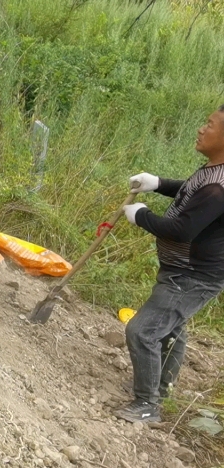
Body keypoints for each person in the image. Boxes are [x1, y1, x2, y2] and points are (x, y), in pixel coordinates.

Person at [117, 106, 224, 423]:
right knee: (171, 329)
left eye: (210, 124)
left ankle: (147, 405)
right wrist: (159, 183)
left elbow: (183, 229)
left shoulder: (219, 188)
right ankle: (159, 389)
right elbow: (190, 191)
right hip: (184, 272)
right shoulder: (212, 172)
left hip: (192, 277)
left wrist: (142, 216)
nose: (201, 129)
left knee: (142, 331)